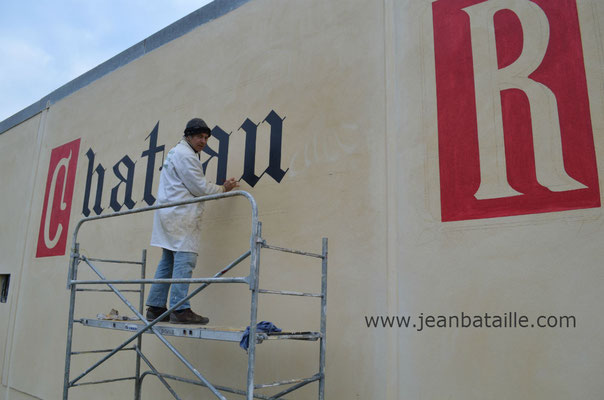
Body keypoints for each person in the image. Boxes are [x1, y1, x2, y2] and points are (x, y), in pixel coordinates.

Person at [145, 117, 239, 324]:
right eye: (199, 136)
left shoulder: (178, 152)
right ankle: (180, 309)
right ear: (188, 136)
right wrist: (224, 188)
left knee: (168, 259)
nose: (203, 141)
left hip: (169, 212)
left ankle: (156, 307)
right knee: (185, 258)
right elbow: (200, 189)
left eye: (206, 137)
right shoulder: (186, 155)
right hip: (180, 215)